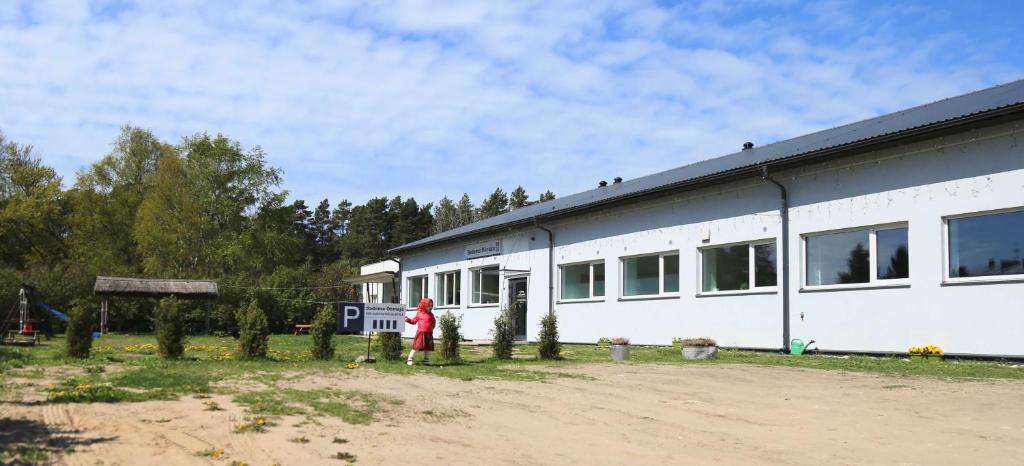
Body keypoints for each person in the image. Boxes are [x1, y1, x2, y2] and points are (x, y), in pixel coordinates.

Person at [405, 298, 436, 366]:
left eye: (431, 306)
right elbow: (413, 321)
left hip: (429, 333)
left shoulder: (431, 315)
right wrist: (407, 319)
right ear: (424, 305)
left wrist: (431, 329)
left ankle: (426, 359)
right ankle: (410, 359)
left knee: (428, 347)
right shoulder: (419, 314)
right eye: (428, 306)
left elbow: (434, 322)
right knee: (416, 347)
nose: (430, 307)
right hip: (421, 333)